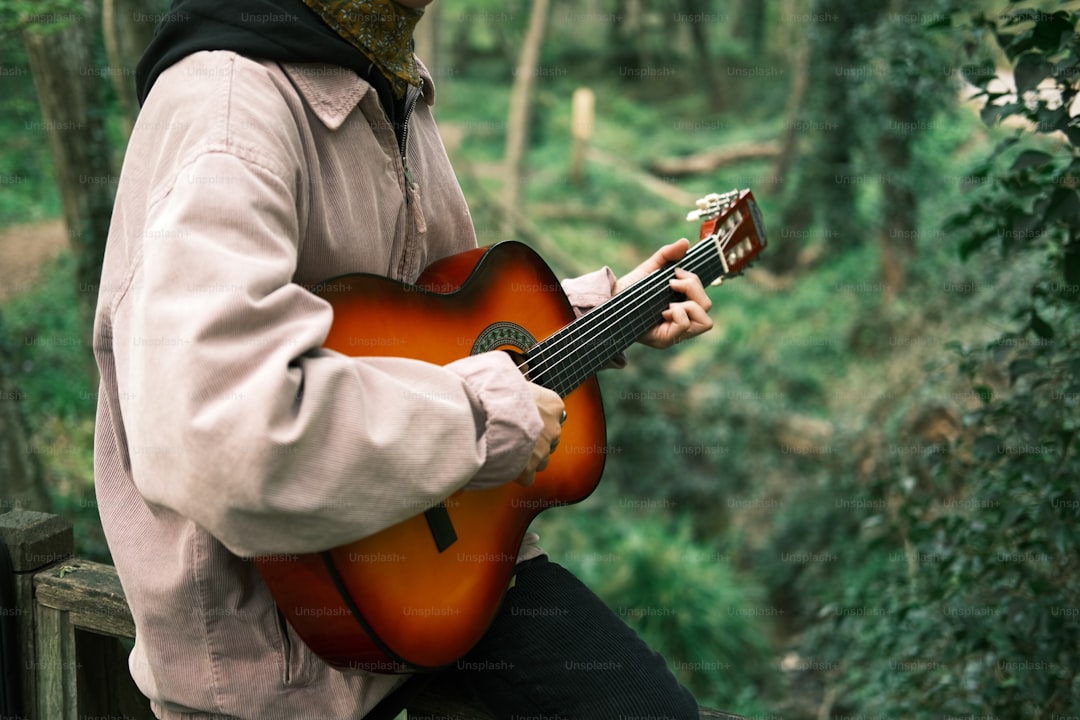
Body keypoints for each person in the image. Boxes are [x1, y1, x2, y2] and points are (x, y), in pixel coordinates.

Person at [92, 1, 716, 718]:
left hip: (446, 571)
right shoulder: (229, 113)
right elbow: (223, 430)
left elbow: (427, 324)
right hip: (286, 652)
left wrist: (606, 309)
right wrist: (483, 418)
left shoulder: (384, 72)